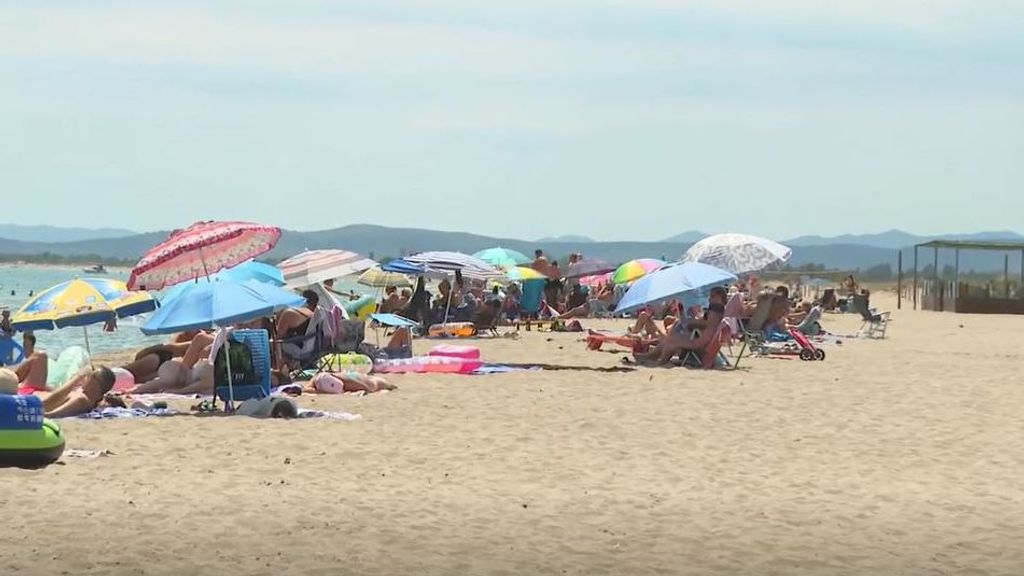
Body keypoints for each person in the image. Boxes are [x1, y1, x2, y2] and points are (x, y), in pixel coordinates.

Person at [633, 286, 728, 367]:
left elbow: (706, 323)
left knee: (672, 340)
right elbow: (706, 322)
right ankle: (652, 357)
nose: (709, 299)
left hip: (700, 342)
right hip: (702, 338)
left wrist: (691, 321)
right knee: (672, 337)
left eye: (712, 296)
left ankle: (659, 361)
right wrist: (693, 321)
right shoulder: (718, 310)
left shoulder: (716, 310)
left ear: (719, 297)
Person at [35, 366, 117, 418]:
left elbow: (46, 409)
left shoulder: (81, 400)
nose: (88, 377)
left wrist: (78, 377)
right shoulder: (81, 394)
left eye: (92, 375)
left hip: (30, 405)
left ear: (96, 384)